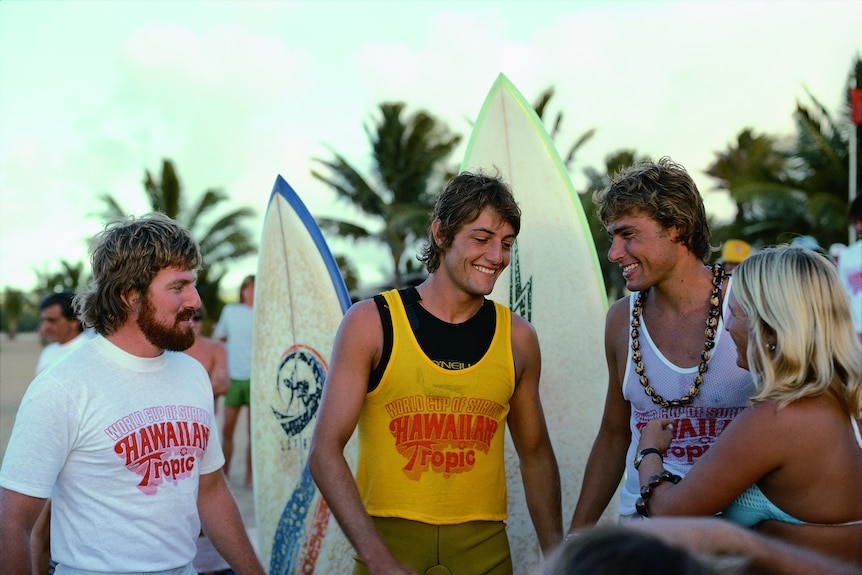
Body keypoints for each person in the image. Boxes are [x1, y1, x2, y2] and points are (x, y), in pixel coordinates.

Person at [308, 171, 563, 575]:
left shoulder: (517, 338)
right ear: (441, 234)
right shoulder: (372, 323)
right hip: (388, 551)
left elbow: (535, 456)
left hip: (485, 553)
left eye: (507, 244)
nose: (496, 256)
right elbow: (324, 450)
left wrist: (557, 557)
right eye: (481, 239)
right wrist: (377, 558)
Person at [0, 213, 265, 575]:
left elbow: (211, 491)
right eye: (179, 286)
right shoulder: (62, 387)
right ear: (130, 297)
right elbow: (12, 522)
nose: (195, 300)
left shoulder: (192, 375)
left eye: (193, 283)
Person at [634, 246, 862, 566]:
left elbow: (669, 514)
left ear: (769, 329)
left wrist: (649, 453)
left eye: (737, 314)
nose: (726, 327)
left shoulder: (778, 420)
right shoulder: (846, 402)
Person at [567, 157, 755, 531]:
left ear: (678, 229)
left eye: (629, 235)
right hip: (644, 534)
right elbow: (614, 434)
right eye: (612, 238)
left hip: (738, 535)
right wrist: (577, 540)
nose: (614, 253)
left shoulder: (748, 304)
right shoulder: (621, 319)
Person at [545, 518, 860, 575]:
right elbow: (612, 432)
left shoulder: (774, 419)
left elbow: (670, 507)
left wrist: (649, 452)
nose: (738, 335)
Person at [214, 274, 255, 488]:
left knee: (252, 433)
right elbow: (219, 341)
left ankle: (249, 477)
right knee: (227, 429)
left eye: (255, 288)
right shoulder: (230, 311)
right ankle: (225, 475)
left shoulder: (264, 313)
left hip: (255, 380)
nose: (251, 292)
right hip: (233, 378)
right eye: (247, 288)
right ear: (242, 290)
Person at [35, 291, 94, 375]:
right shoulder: (48, 351)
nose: (45, 327)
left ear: (74, 321)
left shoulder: (90, 352)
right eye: (44, 320)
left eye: (52, 320)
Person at [185, 306, 230, 406]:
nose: (192, 322)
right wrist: (210, 386)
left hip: (206, 415)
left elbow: (223, 386)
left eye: (197, 318)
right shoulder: (169, 350)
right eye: (187, 318)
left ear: (202, 320)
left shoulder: (216, 348)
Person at [837, 194, 862, 343]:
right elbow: (842, 295)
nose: (859, 226)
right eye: (855, 221)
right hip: (855, 332)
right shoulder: (848, 255)